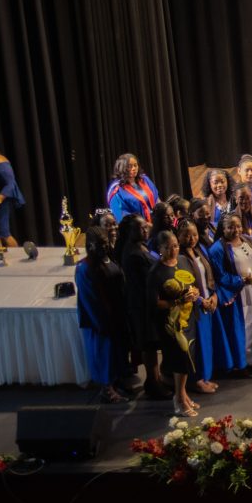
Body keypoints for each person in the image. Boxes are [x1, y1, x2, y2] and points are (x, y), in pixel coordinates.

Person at [147, 231, 200, 417]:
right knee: (180, 359)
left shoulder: (184, 261)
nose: (173, 250)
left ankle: (183, 394)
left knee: (188, 357)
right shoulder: (156, 272)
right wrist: (176, 302)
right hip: (170, 323)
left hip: (188, 318)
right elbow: (154, 302)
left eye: (176, 246)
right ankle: (178, 398)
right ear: (160, 249)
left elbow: (193, 284)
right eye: (168, 247)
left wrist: (194, 294)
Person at [76, 226, 129, 403]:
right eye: (100, 245)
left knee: (116, 353)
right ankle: (106, 390)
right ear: (90, 246)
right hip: (99, 321)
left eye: (105, 243)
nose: (104, 247)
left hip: (116, 313)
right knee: (103, 354)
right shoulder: (85, 268)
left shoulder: (107, 258)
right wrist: (103, 322)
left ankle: (115, 383)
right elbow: (90, 299)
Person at [118, 214, 168, 399]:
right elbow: (145, 282)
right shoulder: (132, 254)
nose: (146, 230)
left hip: (147, 305)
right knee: (149, 346)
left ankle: (156, 380)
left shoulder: (140, 247)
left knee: (153, 346)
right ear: (130, 231)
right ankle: (152, 382)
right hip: (143, 307)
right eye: (141, 228)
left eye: (146, 227)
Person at [208, 212, 252, 373]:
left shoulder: (248, 240)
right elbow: (220, 275)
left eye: (238, 226)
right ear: (223, 228)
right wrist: (241, 281)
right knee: (241, 331)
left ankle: (251, 360)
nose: (235, 230)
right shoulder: (218, 249)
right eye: (230, 227)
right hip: (236, 294)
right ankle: (240, 365)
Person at [176, 219, 223, 396]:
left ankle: (205, 377)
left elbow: (209, 275)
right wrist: (200, 301)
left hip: (207, 303)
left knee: (207, 343)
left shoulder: (199, 250)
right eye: (186, 235)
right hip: (193, 308)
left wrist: (214, 295)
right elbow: (184, 285)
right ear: (178, 236)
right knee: (197, 346)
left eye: (194, 234)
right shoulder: (179, 257)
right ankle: (196, 381)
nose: (191, 238)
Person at [108, 154, 160, 223]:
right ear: (122, 168)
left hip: (155, 223)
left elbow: (157, 200)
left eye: (135, 165)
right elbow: (121, 215)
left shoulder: (144, 180)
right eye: (130, 166)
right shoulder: (116, 190)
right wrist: (143, 224)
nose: (134, 168)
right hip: (136, 227)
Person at [0, 150, 26, 246]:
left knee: (4, 233)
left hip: (1, 200)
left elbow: (10, 184)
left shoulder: (0, 160)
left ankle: (17, 256)